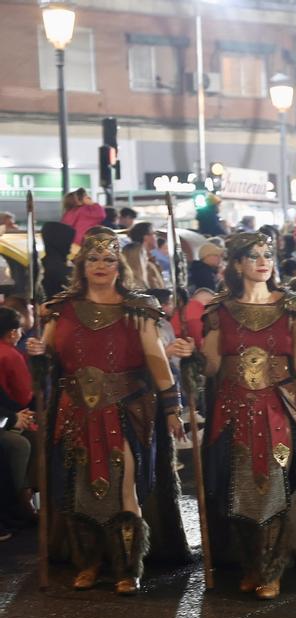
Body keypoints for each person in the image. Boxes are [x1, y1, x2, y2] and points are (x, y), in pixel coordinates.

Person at [24, 228, 193, 593]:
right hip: (73, 412)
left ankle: (127, 568)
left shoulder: (138, 310)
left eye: (109, 259)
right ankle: (88, 564)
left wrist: (172, 407)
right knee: (79, 489)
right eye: (94, 259)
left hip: (125, 411)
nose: (101, 265)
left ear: (120, 266)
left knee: (124, 489)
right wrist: (38, 353)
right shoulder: (60, 310)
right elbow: (49, 360)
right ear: (82, 265)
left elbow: (157, 362)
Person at [199, 232, 296, 599]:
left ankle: (272, 568)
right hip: (231, 410)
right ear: (236, 265)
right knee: (240, 488)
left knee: (272, 487)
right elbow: (212, 366)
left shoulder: (292, 307)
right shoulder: (219, 310)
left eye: (268, 255)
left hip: (278, 408)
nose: (263, 261)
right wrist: (190, 355)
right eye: (253, 256)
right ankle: (251, 564)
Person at [0, 306, 35, 539]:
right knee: (23, 442)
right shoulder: (10, 355)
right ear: (13, 332)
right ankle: (21, 504)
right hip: (7, 419)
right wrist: (15, 418)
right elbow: (24, 396)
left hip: (5, 416)